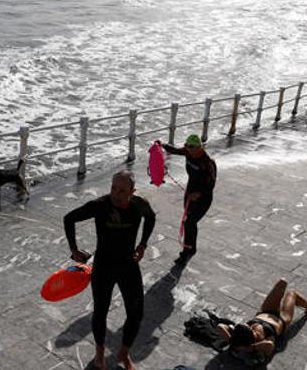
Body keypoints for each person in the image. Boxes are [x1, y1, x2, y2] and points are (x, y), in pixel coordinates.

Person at [63, 170, 156, 370]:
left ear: (133, 191)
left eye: (122, 190)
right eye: (113, 188)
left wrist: (143, 245)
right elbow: (68, 218)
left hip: (128, 265)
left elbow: (151, 218)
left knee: (136, 313)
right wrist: (74, 250)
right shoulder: (100, 205)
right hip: (104, 266)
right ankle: (99, 354)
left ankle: (123, 352)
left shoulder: (139, 204)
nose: (116, 193)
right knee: (100, 312)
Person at [216, 279, 307, 358]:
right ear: (252, 336)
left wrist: (231, 340)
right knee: (292, 293)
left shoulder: (238, 337)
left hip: (266, 311)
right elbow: (270, 346)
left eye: (249, 327)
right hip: (282, 319)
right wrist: (252, 348)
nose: (252, 328)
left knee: (282, 282)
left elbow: (220, 326)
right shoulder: (263, 339)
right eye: (253, 331)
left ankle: (304, 304)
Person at [161, 134, 217, 264]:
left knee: (189, 222)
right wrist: (162, 144)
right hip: (189, 193)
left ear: (200, 147)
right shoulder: (188, 152)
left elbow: (211, 184)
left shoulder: (207, 163)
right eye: (186, 146)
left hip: (204, 198)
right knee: (190, 222)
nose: (188, 149)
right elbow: (174, 150)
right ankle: (192, 248)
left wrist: (199, 194)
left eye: (191, 147)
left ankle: (185, 253)